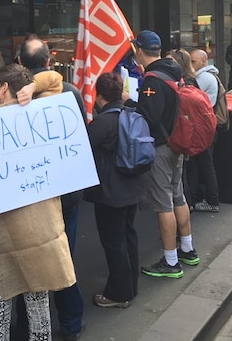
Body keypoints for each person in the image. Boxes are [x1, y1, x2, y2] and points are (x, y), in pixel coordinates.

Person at [0, 64, 75, 341]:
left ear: (4, 88)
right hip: (40, 231)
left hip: (0, 234)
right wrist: (33, 88)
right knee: (39, 305)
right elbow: (55, 79)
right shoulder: (40, 109)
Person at [16, 38, 86, 340]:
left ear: (20, 61)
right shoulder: (70, 93)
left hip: (29, 194)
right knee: (63, 257)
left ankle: (28, 326)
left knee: (27, 261)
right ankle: (71, 324)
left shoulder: (13, 100)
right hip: (65, 192)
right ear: (49, 60)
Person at [128, 30, 199, 278]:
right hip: (177, 144)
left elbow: (148, 116)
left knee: (163, 204)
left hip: (161, 148)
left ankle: (170, 262)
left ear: (138, 49)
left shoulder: (152, 80)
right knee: (178, 196)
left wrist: (129, 102)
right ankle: (188, 249)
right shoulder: (173, 70)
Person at [84, 72, 146, 309]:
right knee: (128, 236)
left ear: (99, 96)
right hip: (133, 187)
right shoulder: (132, 115)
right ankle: (131, 286)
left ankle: (119, 294)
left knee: (114, 243)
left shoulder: (103, 122)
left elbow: (86, 149)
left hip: (111, 193)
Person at [188, 49, 221, 213]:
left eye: (194, 61)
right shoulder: (205, 77)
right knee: (197, 165)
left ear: (203, 61)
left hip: (204, 129)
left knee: (206, 165)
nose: (191, 65)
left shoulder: (204, 78)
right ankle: (195, 198)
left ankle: (212, 200)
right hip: (203, 127)